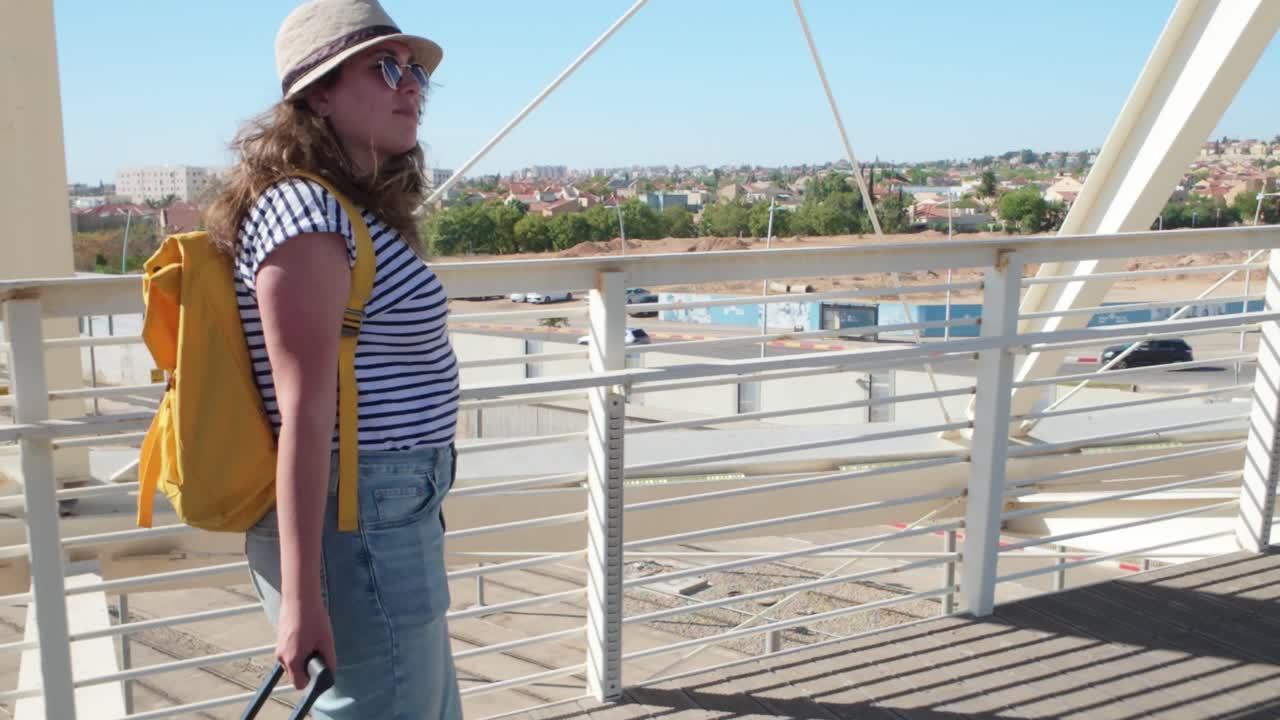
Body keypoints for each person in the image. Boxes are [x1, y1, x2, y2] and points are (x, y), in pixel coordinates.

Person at [203, 1, 462, 717]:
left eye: (415, 73)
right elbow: (304, 408)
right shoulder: (304, 213)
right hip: (356, 521)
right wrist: (301, 597)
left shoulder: (348, 209)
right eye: (385, 68)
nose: (410, 85)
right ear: (317, 92)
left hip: (386, 511)